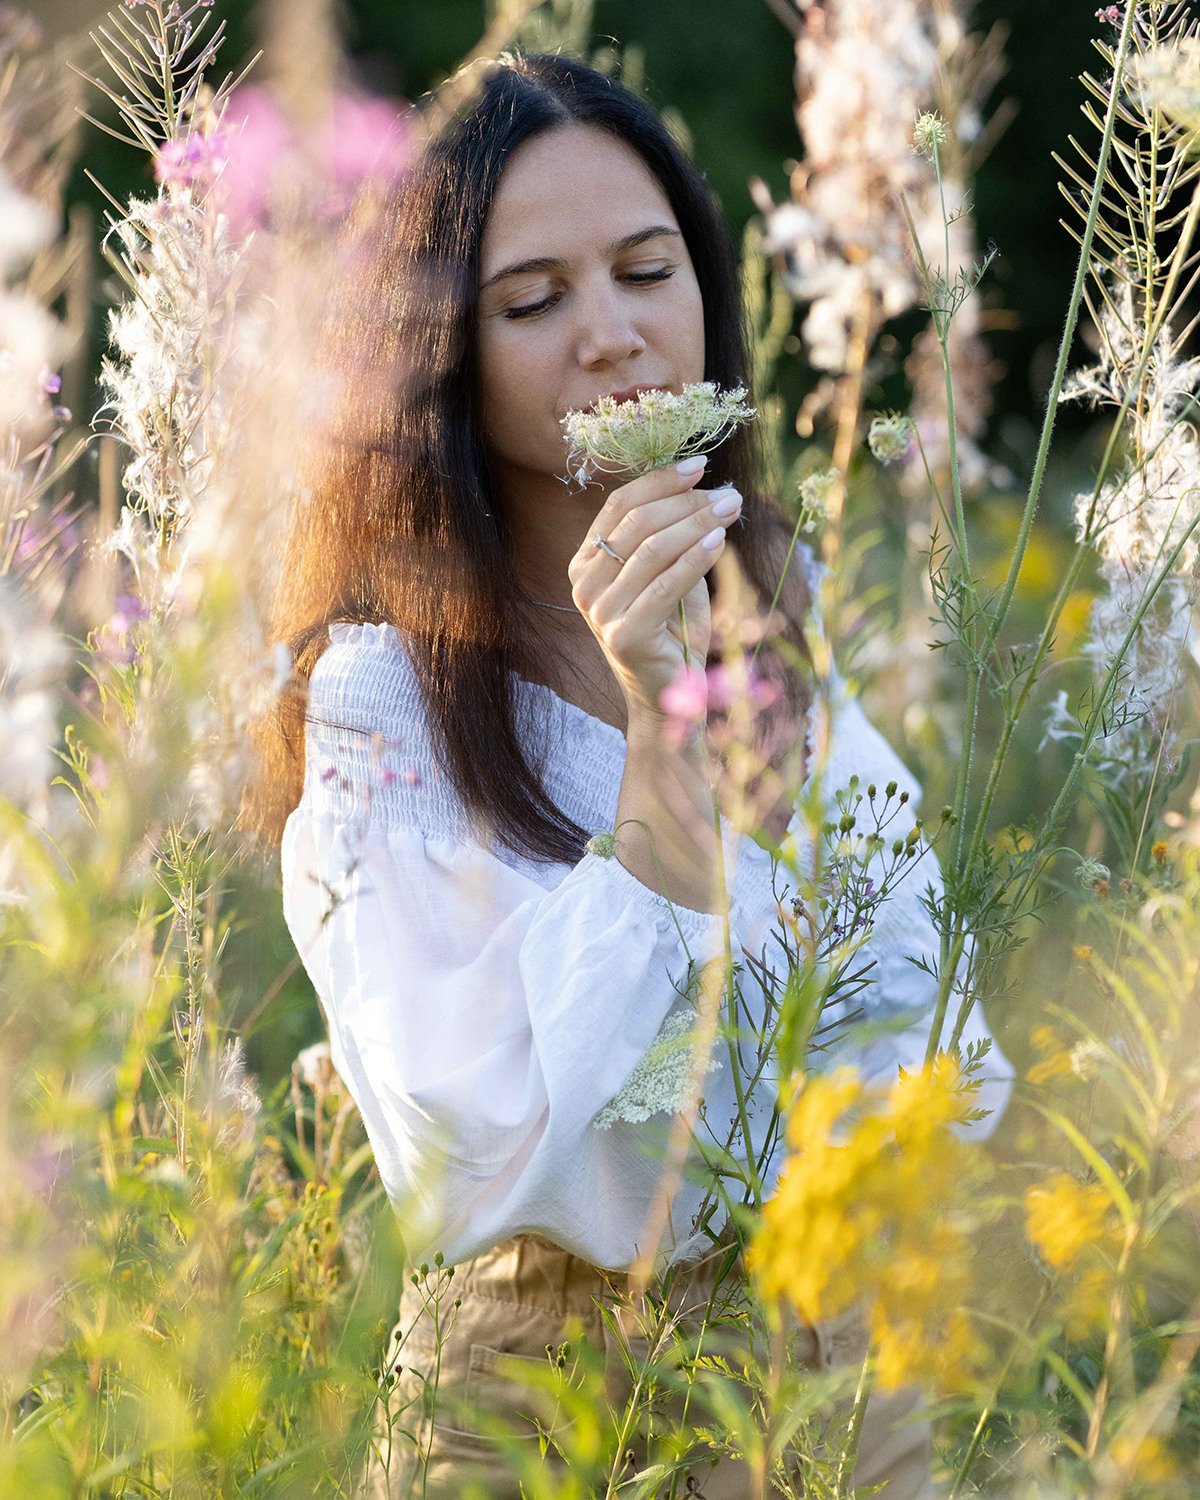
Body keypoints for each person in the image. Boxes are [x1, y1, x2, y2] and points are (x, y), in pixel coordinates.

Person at [257, 50, 1013, 1500]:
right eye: (533, 302)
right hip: (547, 1406)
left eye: (647, 272)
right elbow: (491, 1150)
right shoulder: (382, 703)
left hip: (826, 1374)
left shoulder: (770, 625)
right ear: (445, 364)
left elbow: (930, 1021)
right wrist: (661, 740)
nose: (612, 336)